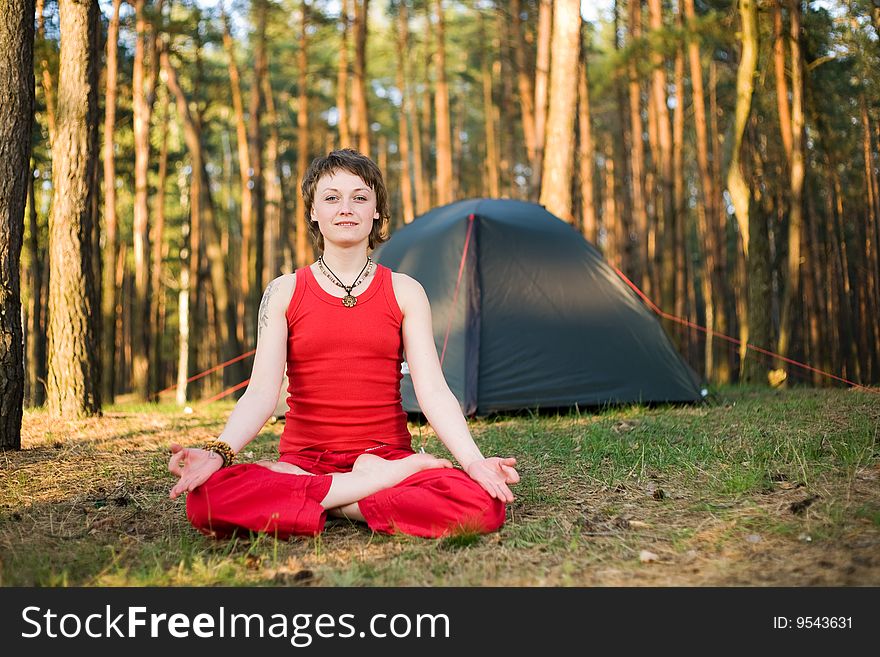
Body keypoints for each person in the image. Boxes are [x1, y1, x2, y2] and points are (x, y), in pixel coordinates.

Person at [168, 148, 520, 539]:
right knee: (204, 499)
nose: (346, 208)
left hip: (384, 456)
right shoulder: (284, 291)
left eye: (360, 197)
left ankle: (312, 503)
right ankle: (363, 495)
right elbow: (261, 393)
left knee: (483, 506)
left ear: (376, 212)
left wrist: (473, 463)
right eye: (332, 197)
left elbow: (434, 390)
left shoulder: (405, 291)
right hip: (306, 463)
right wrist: (218, 453)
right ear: (313, 212)